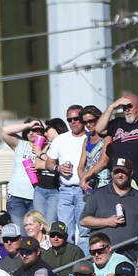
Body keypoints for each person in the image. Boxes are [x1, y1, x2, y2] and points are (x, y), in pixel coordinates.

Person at [79, 157, 138, 254]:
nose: (120, 175)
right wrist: (107, 221)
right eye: (116, 172)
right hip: (103, 255)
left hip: (132, 256)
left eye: (123, 172)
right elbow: (83, 220)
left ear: (131, 173)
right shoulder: (98, 194)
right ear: (112, 174)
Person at [45, 104, 89, 243]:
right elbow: (49, 164)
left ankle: (85, 263)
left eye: (76, 118)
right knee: (65, 232)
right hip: (64, 190)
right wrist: (58, 168)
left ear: (83, 119)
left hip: (84, 190)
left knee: (84, 232)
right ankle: (69, 264)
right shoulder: (60, 139)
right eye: (69, 120)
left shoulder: (90, 138)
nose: (73, 122)